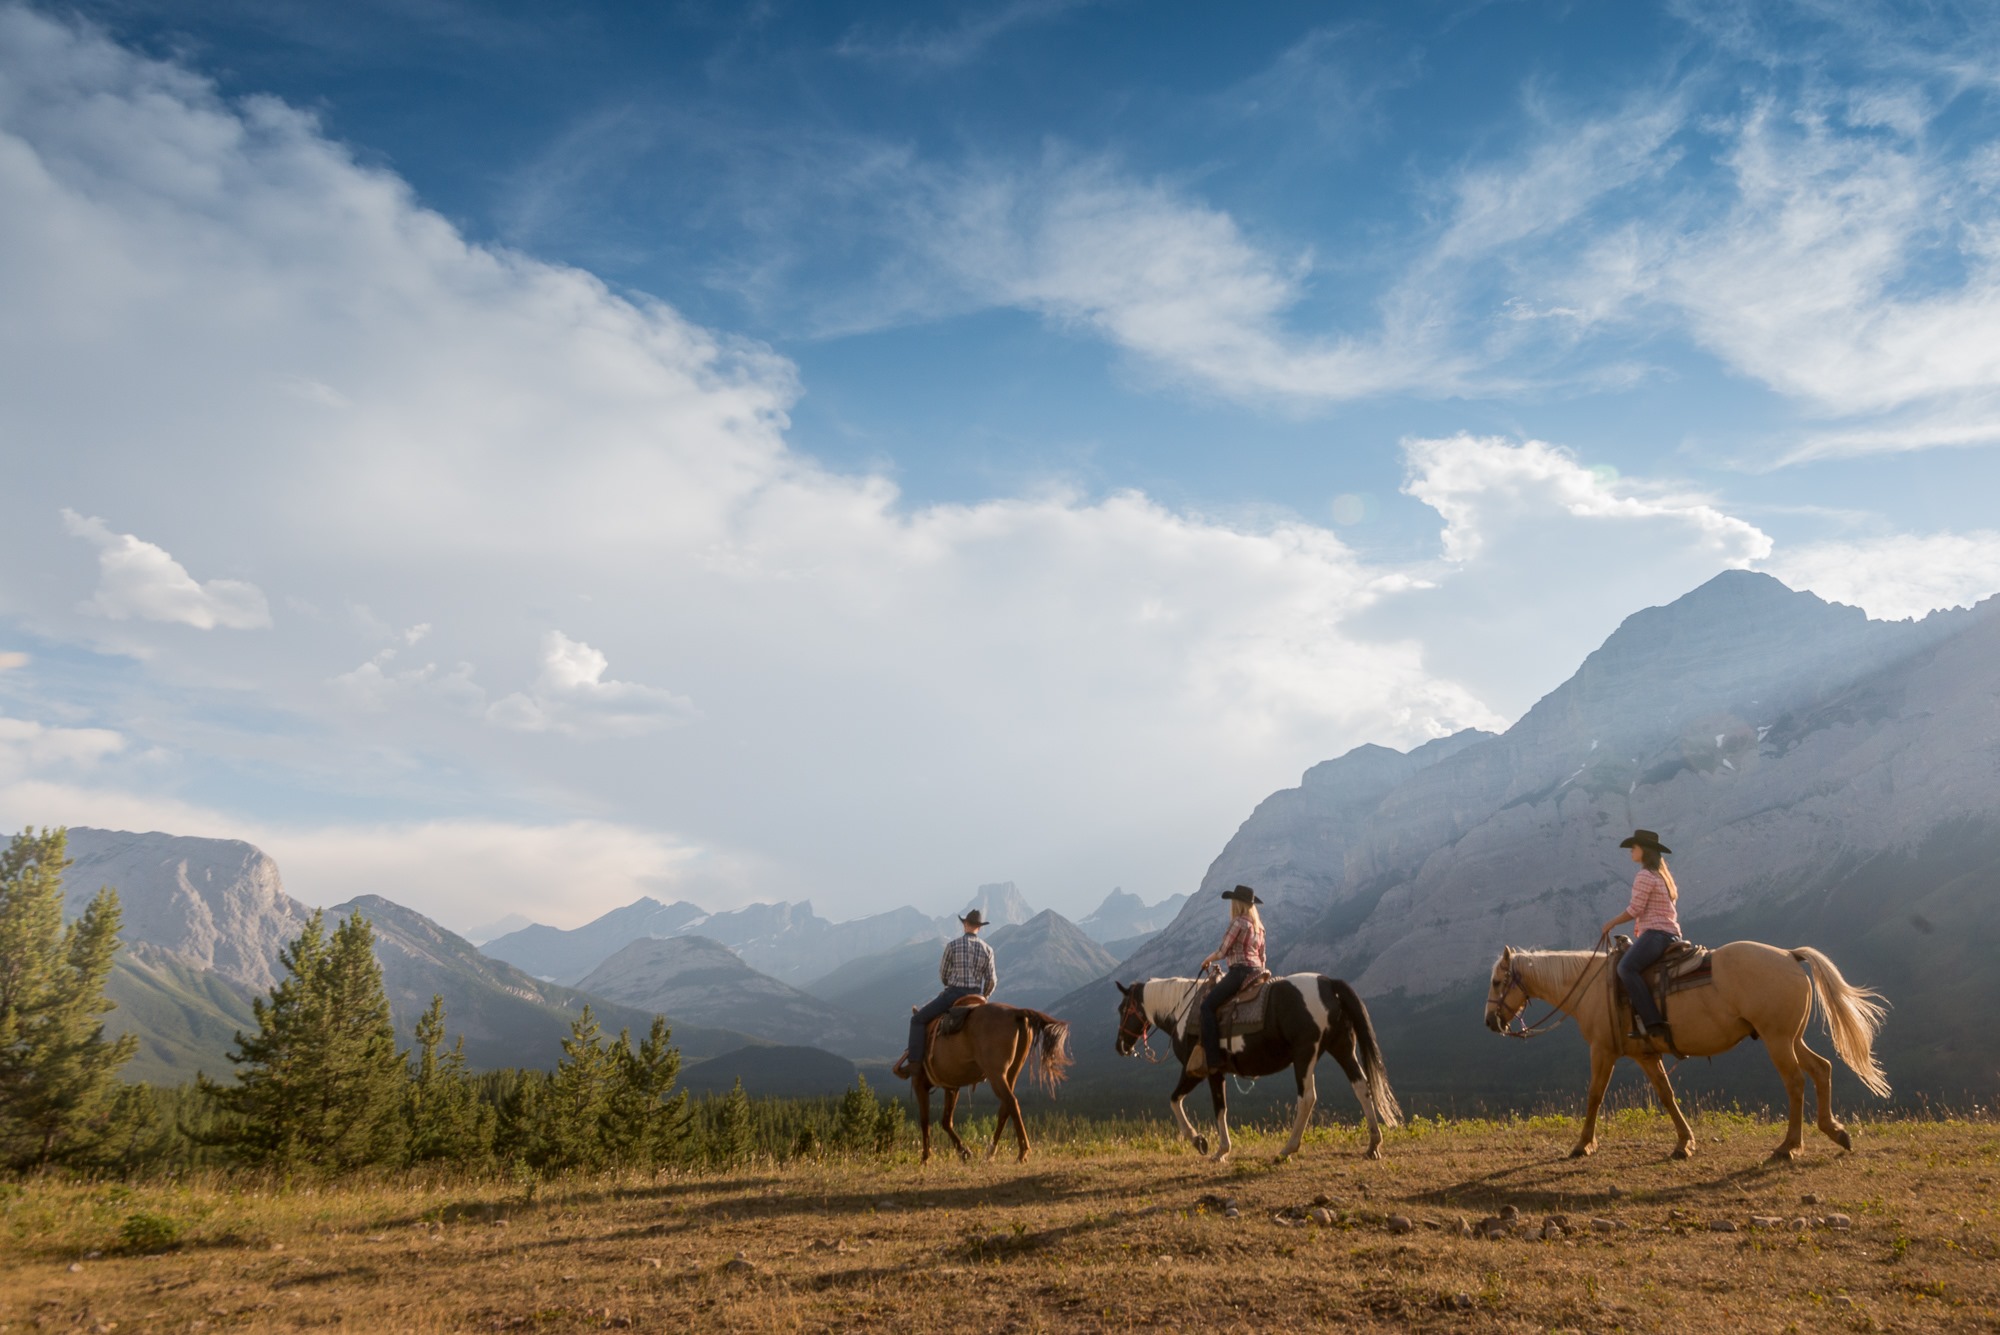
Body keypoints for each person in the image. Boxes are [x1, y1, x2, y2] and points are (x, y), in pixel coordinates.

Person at [1600, 828, 1682, 1047]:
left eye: (1634, 847)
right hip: (1670, 934)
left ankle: (1652, 1021)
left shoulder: (1645, 875)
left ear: (1644, 850)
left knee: (1625, 968)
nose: (1631, 852)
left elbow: (1635, 909)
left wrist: (1611, 923)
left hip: (1656, 934)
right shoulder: (1662, 875)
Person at [894, 909, 997, 1079]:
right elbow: (992, 980)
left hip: (954, 995)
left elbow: (943, 974)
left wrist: (949, 986)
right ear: (979, 927)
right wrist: (983, 997)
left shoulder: (952, 946)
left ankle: (914, 1065)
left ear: (965, 924)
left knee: (917, 1019)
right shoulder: (988, 949)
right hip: (976, 998)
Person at [1189, 885, 1266, 1077]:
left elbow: (1222, 951)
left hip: (1239, 972)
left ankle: (1214, 1059)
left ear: (1237, 903)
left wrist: (1207, 960)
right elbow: (1263, 957)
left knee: (1207, 1006)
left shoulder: (1238, 923)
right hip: (1257, 972)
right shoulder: (1259, 927)